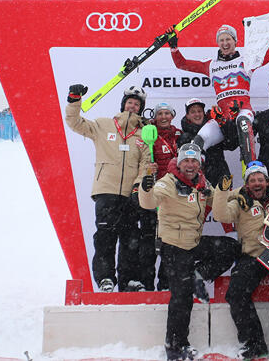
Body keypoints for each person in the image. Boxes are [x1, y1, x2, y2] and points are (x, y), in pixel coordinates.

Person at [138, 143, 236, 361]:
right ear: (179, 163)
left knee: (230, 248)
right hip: (173, 247)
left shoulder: (201, 183)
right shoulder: (169, 181)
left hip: (193, 243)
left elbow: (219, 204)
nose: (190, 165)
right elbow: (150, 201)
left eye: (194, 161)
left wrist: (226, 189)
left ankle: (197, 276)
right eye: (186, 161)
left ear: (199, 163)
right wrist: (146, 188)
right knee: (181, 298)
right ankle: (175, 347)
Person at [64, 84, 149, 292]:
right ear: (123, 104)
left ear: (141, 108)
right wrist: (74, 100)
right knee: (105, 237)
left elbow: (146, 163)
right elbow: (75, 123)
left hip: (131, 195)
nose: (132, 106)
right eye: (129, 102)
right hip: (106, 192)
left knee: (131, 239)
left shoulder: (144, 133)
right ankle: (105, 279)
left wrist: (138, 187)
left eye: (137, 104)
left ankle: (129, 280)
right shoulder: (104, 125)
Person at [169, 24, 269, 165]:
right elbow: (181, 64)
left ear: (235, 41)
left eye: (228, 39)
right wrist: (173, 47)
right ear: (218, 43)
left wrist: (256, 34)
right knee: (199, 140)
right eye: (222, 40)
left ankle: (251, 167)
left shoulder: (246, 61)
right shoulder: (211, 65)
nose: (225, 43)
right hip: (223, 116)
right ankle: (195, 176)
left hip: (243, 111)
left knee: (243, 124)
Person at [212, 161, 269, 359]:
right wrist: (224, 191)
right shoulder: (240, 200)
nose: (257, 183)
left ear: (267, 181)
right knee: (235, 294)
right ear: (247, 184)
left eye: (260, 179)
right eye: (252, 180)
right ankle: (254, 344)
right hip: (253, 256)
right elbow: (221, 215)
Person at [134, 102, 182, 291]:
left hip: (172, 197)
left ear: (172, 116)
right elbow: (137, 161)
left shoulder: (179, 136)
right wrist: (148, 170)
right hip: (153, 194)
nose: (163, 117)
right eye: (160, 113)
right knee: (148, 241)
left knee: (169, 242)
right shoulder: (147, 136)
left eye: (167, 113)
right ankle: (146, 284)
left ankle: (165, 284)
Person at [177, 98, 238, 186]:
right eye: (193, 112)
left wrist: (224, 123)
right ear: (188, 116)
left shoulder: (214, 127)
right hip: (198, 180)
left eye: (199, 111)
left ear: (204, 113)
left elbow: (231, 145)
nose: (197, 114)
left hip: (220, 175)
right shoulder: (184, 137)